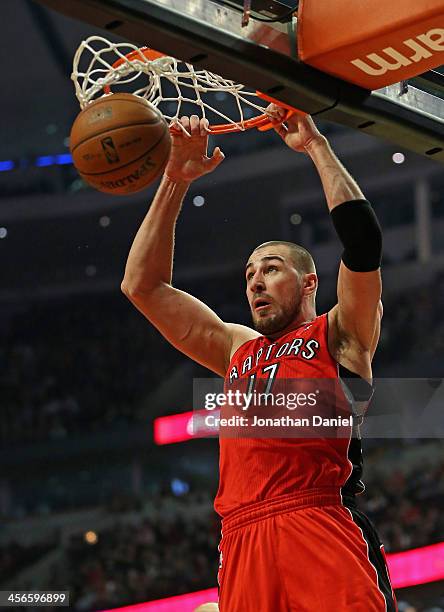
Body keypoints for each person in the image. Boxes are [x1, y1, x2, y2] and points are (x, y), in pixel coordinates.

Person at [121, 110, 397, 611]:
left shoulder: (338, 334)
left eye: (272, 269)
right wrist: (174, 179)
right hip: (241, 539)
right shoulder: (236, 349)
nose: (255, 281)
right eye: (250, 273)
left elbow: (363, 243)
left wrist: (316, 145)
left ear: (310, 282)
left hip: (316, 524)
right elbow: (142, 286)